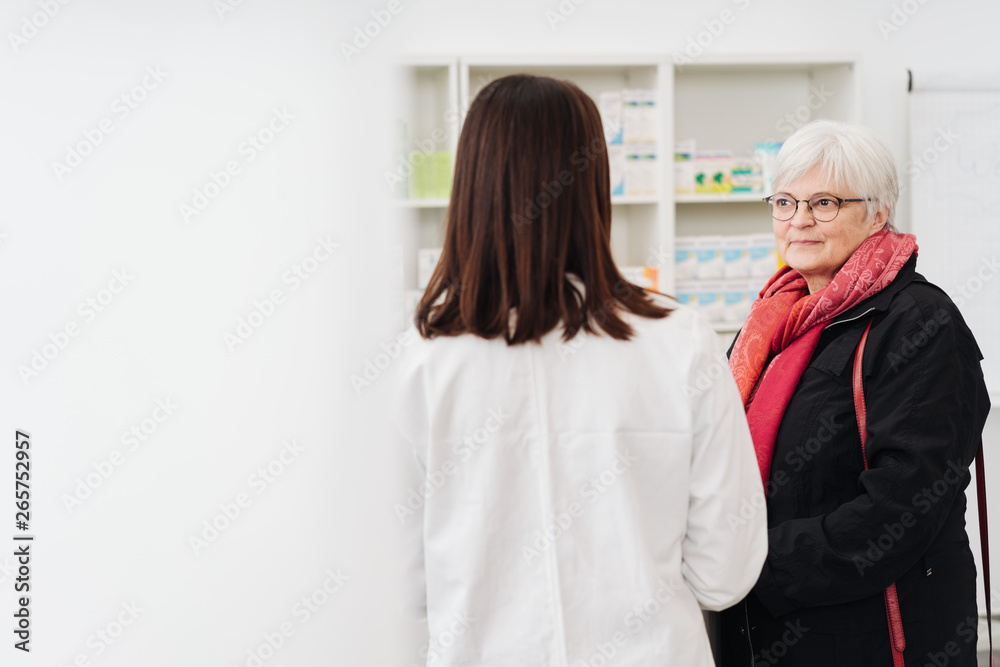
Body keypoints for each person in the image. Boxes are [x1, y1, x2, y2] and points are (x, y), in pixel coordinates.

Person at [391, 74, 767, 666]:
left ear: (471, 187)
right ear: (594, 182)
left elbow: (402, 586)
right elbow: (726, 570)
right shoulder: (680, 340)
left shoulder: (419, 359)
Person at [718, 120, 991, 666]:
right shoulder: (773, 321)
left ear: (878, 212)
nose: (799, 221)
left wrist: (750, 564)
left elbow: (900, 507)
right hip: (764, 625)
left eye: (824, 203)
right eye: (785, 201)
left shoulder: (918, 322)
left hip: (873, 635)